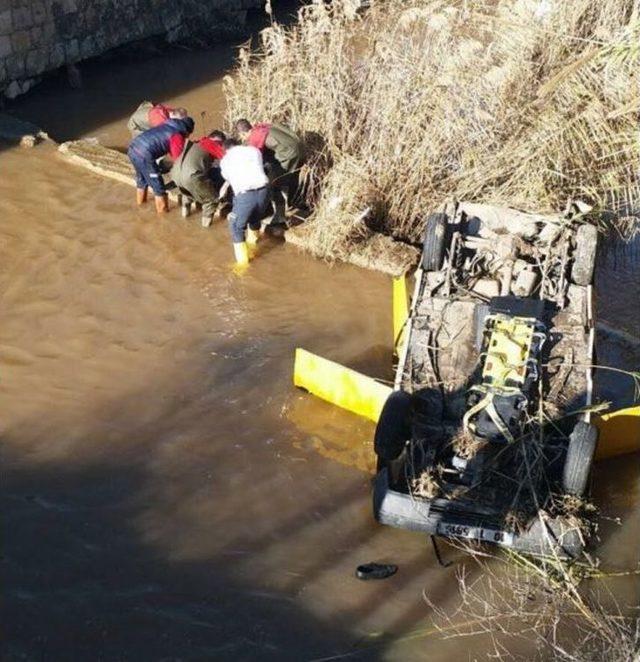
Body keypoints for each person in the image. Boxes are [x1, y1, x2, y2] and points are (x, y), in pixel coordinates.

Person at [235, 119, 303, 222]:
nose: (243, 139)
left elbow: (254, 161)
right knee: (291, 176)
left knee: (273, 182)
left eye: (242, 136)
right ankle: (294, 202)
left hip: (291, 154)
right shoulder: (262, 127)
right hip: (300, 147)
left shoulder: (255, 137)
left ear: (243, 133)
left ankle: (280, 216)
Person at [127, 114, 195, 213]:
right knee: (159, 187)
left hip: (133, 148)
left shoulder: (167, 124)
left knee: (141, 181)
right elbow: (178, 159)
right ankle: (162, 216)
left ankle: (141, 207)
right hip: (145, 155)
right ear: (188, 131)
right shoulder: (177, 135)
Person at [219, 138, 270, 265]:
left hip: (246, 196)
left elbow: (228, 177)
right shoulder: (254, 151)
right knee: (254, 218)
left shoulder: (225, 160)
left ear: (225, 150)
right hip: (264, 192)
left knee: (235, 226)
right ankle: (253, 246)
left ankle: (243, 265)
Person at [169, 130, 227, 228]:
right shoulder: (212, 144)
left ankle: (185, 216)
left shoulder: (197, 142)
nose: (220, 145)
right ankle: (206, 229)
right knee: (211, 200)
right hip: (191, 175)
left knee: (187, 192)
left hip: (175, 174)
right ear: (215, 139)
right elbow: (228, 158)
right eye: (220, 143)